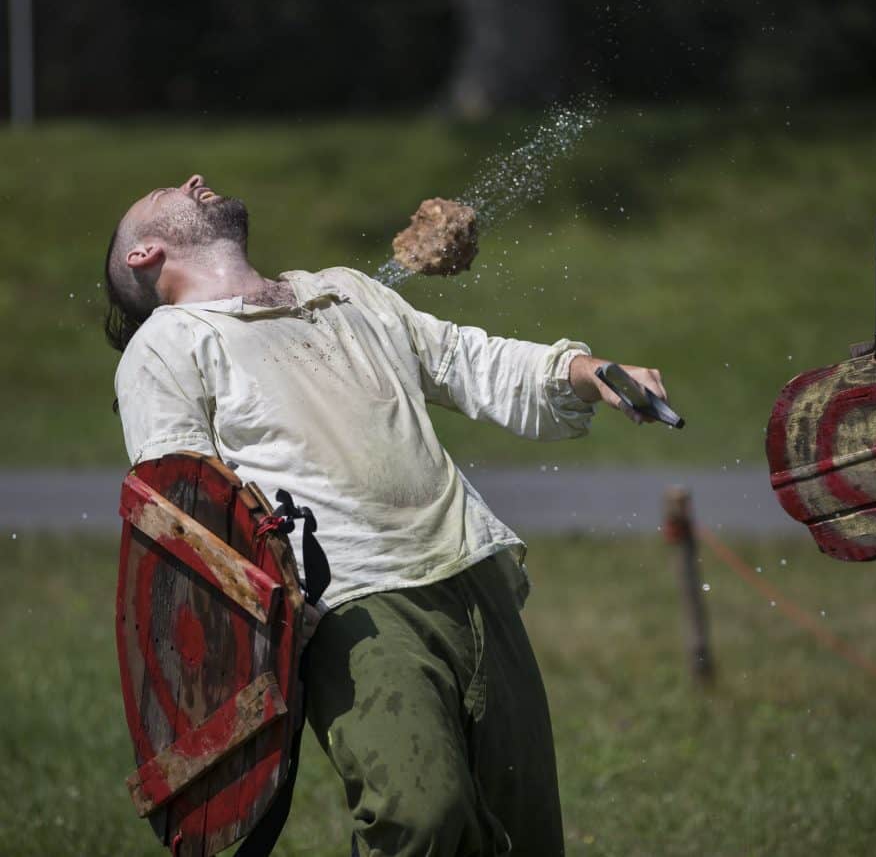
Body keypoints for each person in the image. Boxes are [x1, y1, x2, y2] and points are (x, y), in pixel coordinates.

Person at [105, 173, 670, 856]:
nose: (195, 179)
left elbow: (465, 359)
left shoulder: (345, 288)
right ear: (145, 254)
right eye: (170, 189)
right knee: (419, 816)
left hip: (470, 571)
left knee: (523, 831)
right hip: (351, 605)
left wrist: (587, 369)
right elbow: (182, 518)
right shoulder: (165, 347)